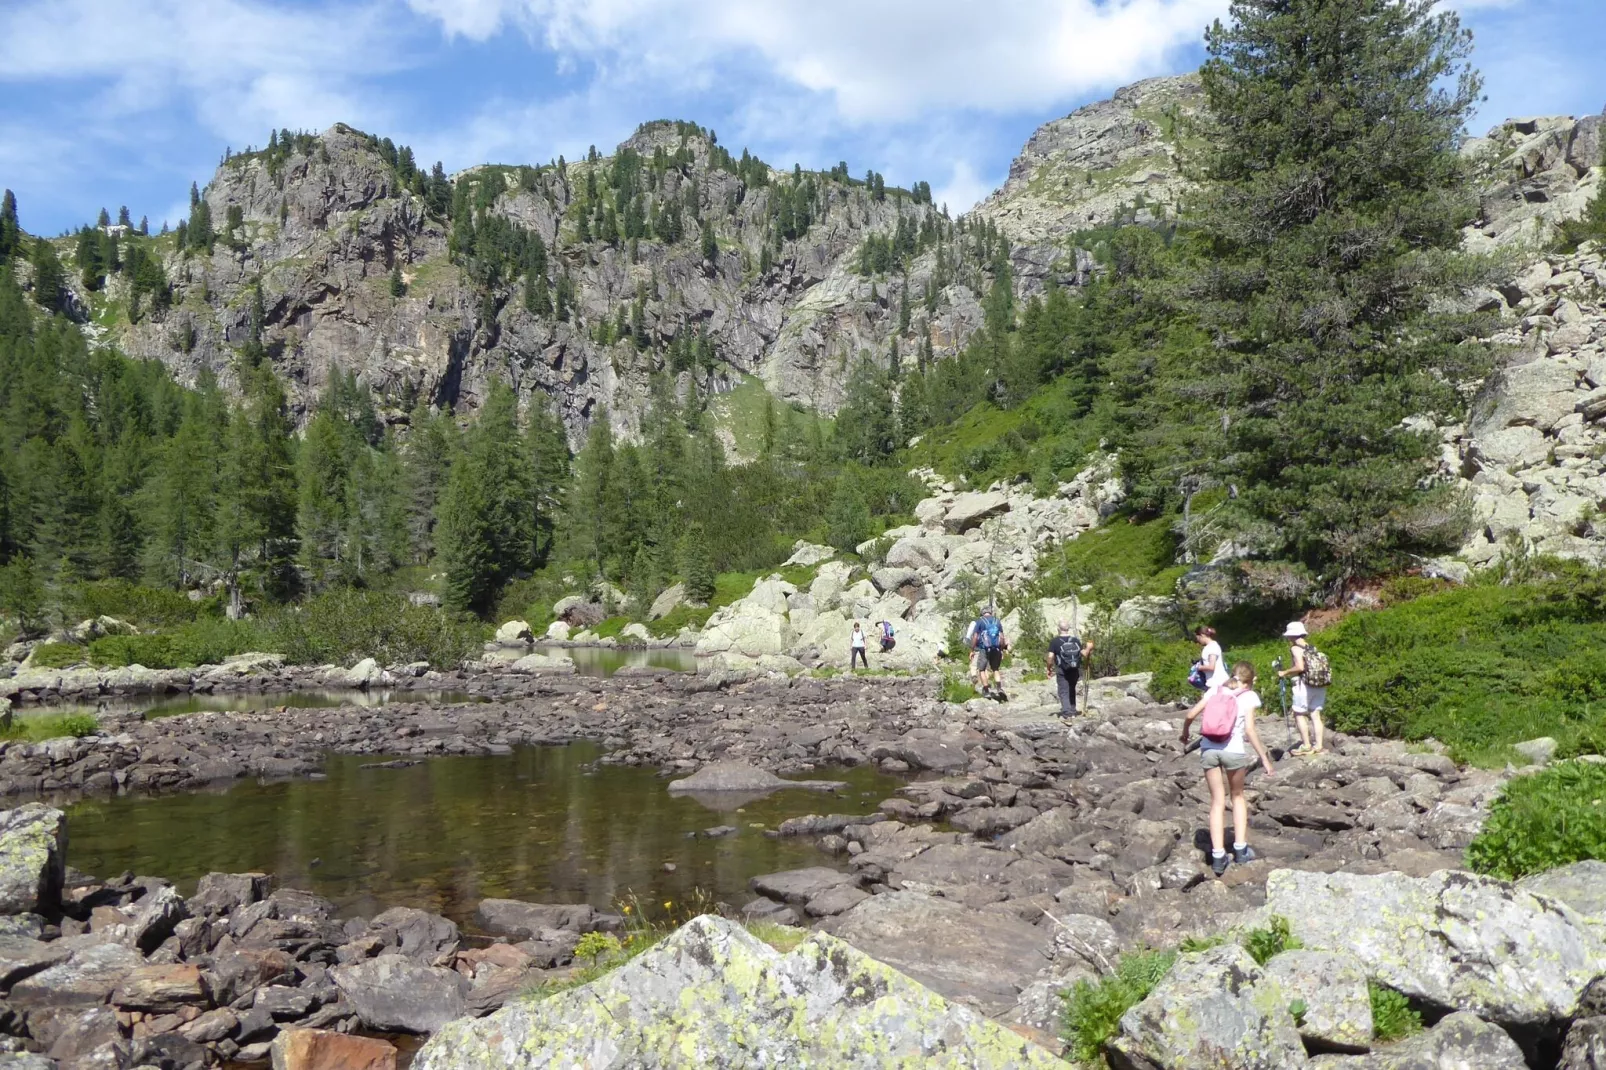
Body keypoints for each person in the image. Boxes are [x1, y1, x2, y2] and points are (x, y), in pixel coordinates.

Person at [1181, 661, 1275, 877]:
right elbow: (1250, 730)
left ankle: (1217, 856)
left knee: (1216, 801)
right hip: (1233, 751)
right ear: (1251, 680)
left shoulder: (1214, 689)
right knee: (1238, 797)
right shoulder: (1249, 696)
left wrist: (1185, 733)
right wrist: (1264, 759)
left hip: (1209, 749)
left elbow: (1190, 715)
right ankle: (1241, 851)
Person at [1276, 621, 1326, 755]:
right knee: (1315, 714)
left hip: (1303, 684)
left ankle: (1306, 745)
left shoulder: (1295, 648)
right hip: (1318, 684)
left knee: (1299, 713)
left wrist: (1284, 672)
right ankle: (1319, 745)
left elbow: (1300, 667)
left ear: (1291, 635)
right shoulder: (1312, 647)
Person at [1045, 619, 1093, 719]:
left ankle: (1067, 713)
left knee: (1063, 690)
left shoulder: (1055, 641)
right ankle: (1073, 710)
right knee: (1071, 688)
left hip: (1062, 669)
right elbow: (1083, 654)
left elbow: (1050, 657)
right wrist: (1088, 648)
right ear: (1068, 629)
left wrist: (1049, 668)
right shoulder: (1075, 640)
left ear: (1058, 629)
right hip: (1075, 668)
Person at [970, 606, 1009, 698]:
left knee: (982, 669)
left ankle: (986, 690)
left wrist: (972, 650)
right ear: (990, 612)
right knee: (995, 669)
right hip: (996, 648)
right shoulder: (997, 621)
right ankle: (999, 688)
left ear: (982, 613)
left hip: (984, 649)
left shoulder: (980, 621)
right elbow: (1002, 637)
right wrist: (1002, 649)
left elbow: (975, 637)